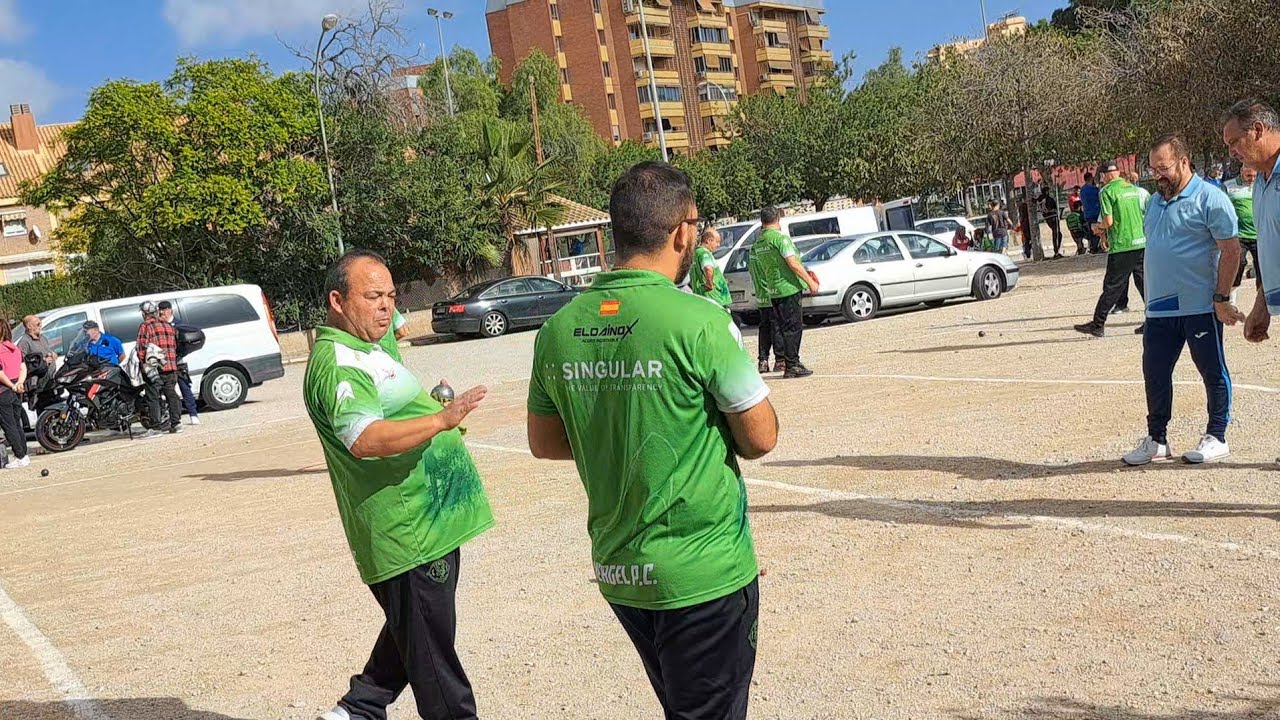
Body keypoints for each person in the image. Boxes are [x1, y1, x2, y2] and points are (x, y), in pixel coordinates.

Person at [525, 161, 779, 720]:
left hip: (622, 573)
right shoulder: (699, 321)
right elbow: (760, 437)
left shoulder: (558, 329)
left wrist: (619, 424)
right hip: (702, 572)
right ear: (682, 231)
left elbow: (545, 441)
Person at [305, 249, 494, 720]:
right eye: (372, 297)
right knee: (435, 661)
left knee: (417, 629)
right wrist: (439, 420)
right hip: (407, 532)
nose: (386, 307)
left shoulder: (370, 345)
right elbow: (365, 438)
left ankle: (361, 708)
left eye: (390, 296)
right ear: (337, 300)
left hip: (429, 524)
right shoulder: (340, 363)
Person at [1122, 133, 1243, 467]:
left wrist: (1222, 297)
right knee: (1155, 373)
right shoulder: (1155, 201)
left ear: (1184, 161)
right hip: (1159, 310)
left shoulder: (1210, 197)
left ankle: (1217, 436)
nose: (1157, 175)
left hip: (1200, 307)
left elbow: (1231, 250)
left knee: (1211, 371)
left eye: (1163, 168)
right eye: (1153, 168)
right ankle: (1157, 440)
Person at [1222, 100, 1280, 356]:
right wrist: (1263, 305)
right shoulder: (1261, 182)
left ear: (1257, 130)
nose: (1232, 152)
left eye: (1234, 142)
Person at [1074, 161, 1148, 338]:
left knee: (1112, 285)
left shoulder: (1107, 191)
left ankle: (1098, 324)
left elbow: (1108, 221)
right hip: (1140, 242)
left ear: (1104, 176)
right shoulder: (1133, 189)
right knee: (1144, 284)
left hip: (1122, 245)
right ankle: (1154, 320)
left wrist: (1098, 229)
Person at [753, 206, 820, 379]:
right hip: (788, 288)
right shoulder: (780, 239)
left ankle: (788, 361)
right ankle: (792, 364)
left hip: (773, 289)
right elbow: (793, 263)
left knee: (782, 327)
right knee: (793, 327)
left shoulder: (759, 242)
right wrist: (810, 281)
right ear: (777, 218)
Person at [135, 300, 182, 437]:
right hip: (171, 366)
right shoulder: (168, 325)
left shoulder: (145, 326)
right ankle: (176, 423)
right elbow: (174, 346)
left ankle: (156, 427)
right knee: (171, 394)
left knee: (153, 397)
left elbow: (141, 348)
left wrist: (143, 364)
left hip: (154, 368)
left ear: (145, 313)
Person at [157, 301, 199, 426]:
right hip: (164, 362)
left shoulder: (179, 324)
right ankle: (172, 416)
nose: (162, 312)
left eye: (165, 309)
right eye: (160, 310)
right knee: (167, 390)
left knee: (185, 387)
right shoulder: (158, 325)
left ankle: (193, 414)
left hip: (178, 361)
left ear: (171, 310)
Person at [748, 237, 785, 373]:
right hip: (772, 293)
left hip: (761, 295)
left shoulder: (753, 249)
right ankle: (780, 360)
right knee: (776, 327)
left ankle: (763, 361)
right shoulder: (767, 249)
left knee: (764, 329)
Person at [1225, 166, 1260, 296]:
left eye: (1254, 176)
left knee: (1262, 268)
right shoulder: (1229, 186)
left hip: (1259, 234)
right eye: (1248, 176)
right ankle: (1231, 297)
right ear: (1241, 173)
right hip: (1238, 234)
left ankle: (1262, 303)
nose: (1251, 179)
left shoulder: (1261, 185)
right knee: (1238, 263)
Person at [0, 321, 29, 468]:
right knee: (17, 424)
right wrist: (19, 383)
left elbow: (0, 374)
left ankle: (20, 456)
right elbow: (23, 368)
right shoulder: (15, 349)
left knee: (9, 425)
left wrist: (11, 385)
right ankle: (24, 454)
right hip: (17, 389)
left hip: (3, 391)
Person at [691, 226, 733, 309]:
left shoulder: (695, 254)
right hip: (715, 297)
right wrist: (710, 284)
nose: (718, 245)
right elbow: (708, 268)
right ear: (709, 240)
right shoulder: (704, 254)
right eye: (717, 242)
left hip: (702, 296)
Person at [1081, 172, 1103, 253]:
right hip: (1095, 213)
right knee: (1097, 231)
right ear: (1091, 178)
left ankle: (1093, 247)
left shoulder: (1082, 189)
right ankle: (1096, 247)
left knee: (1091, 232)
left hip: (1087, 214)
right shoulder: (1094, 189)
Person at [1039, 186, 1064, 258]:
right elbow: (1053, 209)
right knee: (1056, 234)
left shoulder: (1040, 199)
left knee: (1057, 233)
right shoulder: (1049, 199)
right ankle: (1056, 252)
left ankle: (1057, 250)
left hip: (1047, 218)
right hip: (1053, 217)